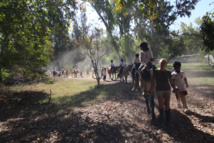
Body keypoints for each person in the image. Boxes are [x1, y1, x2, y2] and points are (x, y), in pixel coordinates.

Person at [153, 58, 176, 125]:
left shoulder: (168, 72)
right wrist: (152, 89)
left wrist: (174, 88)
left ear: (165, 64)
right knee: (161, 105)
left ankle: (168, 120)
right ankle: (161, 118)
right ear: (159, 64)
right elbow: (153, 81)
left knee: (167, 104)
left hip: (167, 89)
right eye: (161, 63)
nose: (163, 64)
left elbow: (171, 82)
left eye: (164, 63)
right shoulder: (156, 72)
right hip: (159, 89)